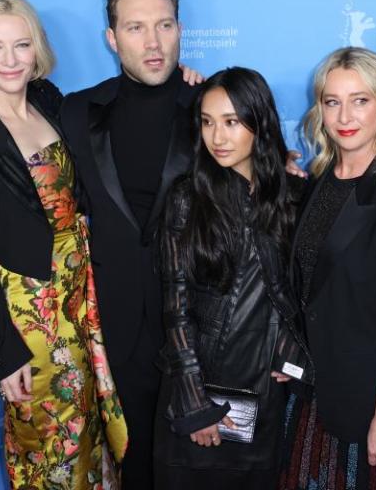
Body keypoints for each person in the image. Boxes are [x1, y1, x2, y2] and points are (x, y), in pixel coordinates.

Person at [0, 0, 127, 488]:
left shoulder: (50, 103)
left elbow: (124, 111)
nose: (10, 60)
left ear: (37, 48)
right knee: (52, 451)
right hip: (30, 318)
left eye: (21, 45)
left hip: (85, 302)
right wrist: (4, 352)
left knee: (99, 440)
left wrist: (189, 85)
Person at [60, 0, 200, 489]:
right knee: (133, 464)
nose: (154, 41)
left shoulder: (210, 106)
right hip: (114, 322)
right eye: (137, 28)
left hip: (198, 324)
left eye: (165, 25)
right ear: (112, 38)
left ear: (180, 30)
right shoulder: (76, 111)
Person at [278, 47, 376, 490]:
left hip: (364, 405)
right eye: (332, 101)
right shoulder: (320, 182)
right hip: (308, 396)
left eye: (360, 100)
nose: (344, 114)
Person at [154, 67, 312, 489]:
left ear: (259, 124)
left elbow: (307, 292)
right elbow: (176, 305)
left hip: (265, 393)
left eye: (231, 122)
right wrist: (194, 403)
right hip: (201, 386)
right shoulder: (188, 197)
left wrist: (295, 355)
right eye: (207, 122)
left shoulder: (295, 196)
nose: (217, 137)